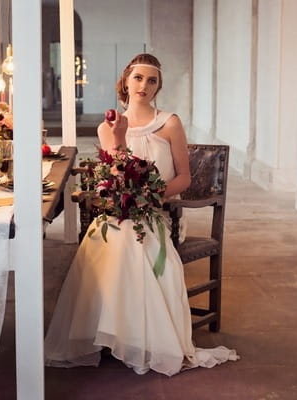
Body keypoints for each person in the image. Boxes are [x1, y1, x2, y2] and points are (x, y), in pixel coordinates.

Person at [44, 53, 238, 376]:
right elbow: (116, 174)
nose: (143, 86)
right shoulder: (107, 128)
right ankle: (112, 331)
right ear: (126, 81)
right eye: (138, 78)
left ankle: (138, 336)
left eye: (152, 80)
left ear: (158, 86)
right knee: (104, 238)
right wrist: (119, 141)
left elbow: (184, 179)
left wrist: (150, 196)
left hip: (158, 213)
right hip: (121, 213)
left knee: (132, 241)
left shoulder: (170, 123)